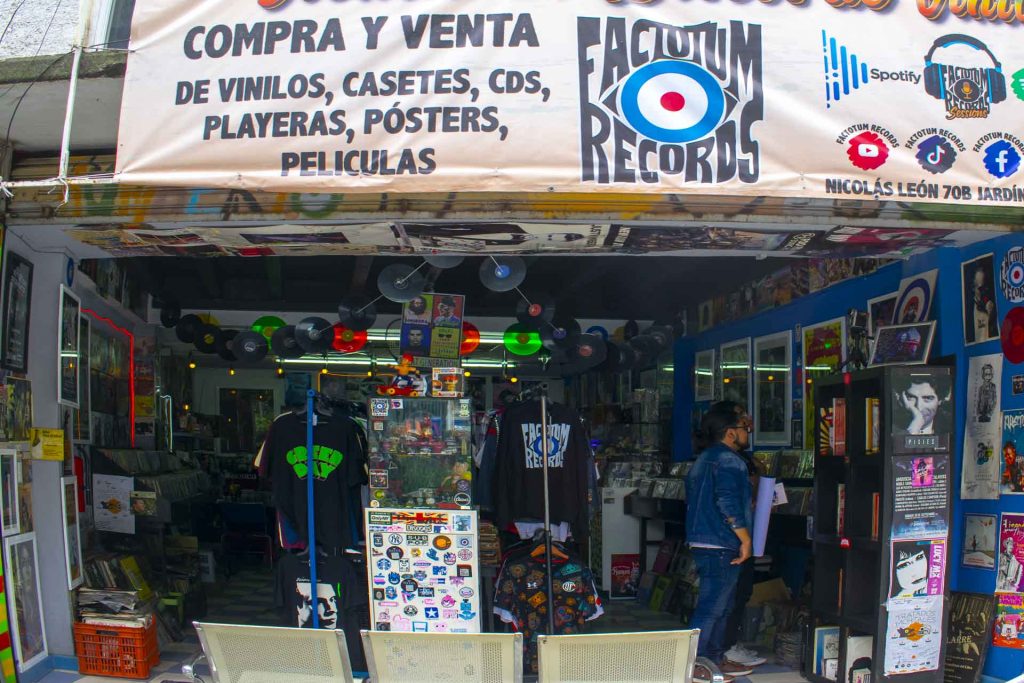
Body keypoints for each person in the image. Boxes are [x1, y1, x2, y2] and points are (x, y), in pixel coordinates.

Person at [685, 401, 756, 681]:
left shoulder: (704, 458)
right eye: (744, 428)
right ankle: (695, 665)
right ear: (730, 432)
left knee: (722, 605)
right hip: (720, 541)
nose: (747, 432)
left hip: (704, 539)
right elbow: (726, 501)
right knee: (712, 607)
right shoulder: (729, 460)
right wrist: (745, 539)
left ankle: (713, 658)